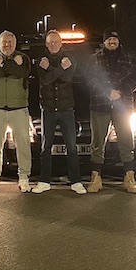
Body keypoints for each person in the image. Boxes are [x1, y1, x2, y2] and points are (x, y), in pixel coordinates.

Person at [84, 28, 136, 194]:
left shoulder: (129, 59)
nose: (112, 42)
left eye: (114, 39)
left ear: (118, 41)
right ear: (104, 42)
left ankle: (129, 178)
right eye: (108, 39)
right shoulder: (94, 59)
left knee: (126, 142)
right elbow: (90, 79)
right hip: (100, 105)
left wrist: (120, 91)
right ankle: (96, 179)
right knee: (97, 144)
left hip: (123, 106)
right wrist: (107, 92)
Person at [31, 30, 87, 195]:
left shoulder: (70, 59)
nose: (53, 44)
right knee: (45, 146)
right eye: (50, 42)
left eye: (55, 41)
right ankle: (44, 181)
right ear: (46, 44)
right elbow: (46, 80)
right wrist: (59, 69)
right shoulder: (41, 60)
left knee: (71, 147)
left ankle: (76, 181)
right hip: (47, 109)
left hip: (66, 109)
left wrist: (51, 69)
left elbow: (66, 79)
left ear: (61, 43)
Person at [0, 30, 32, 193]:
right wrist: (9, 66)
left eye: (10, 41)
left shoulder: (23, 58)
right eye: (4, 42)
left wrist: (4, 64)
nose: (7, 44)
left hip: (19, 108)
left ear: (15, 43)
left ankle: (24, 177)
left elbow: (22, 73)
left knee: (23, 144)